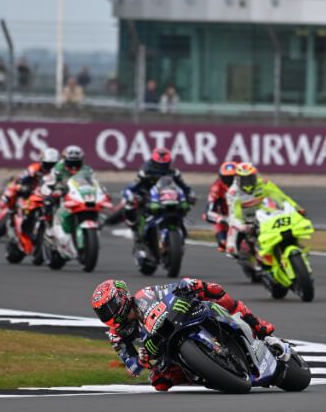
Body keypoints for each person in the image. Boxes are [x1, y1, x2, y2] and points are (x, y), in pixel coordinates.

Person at [91, 278, 274, 391]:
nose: (109, 314)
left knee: (214, 291)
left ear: (121, 298)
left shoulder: (144, 294)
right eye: (103, 313)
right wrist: (141, 360)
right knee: (159, 382)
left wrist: (187, 286)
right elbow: (131, 367)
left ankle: (257, 325)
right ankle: (204, 373)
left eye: (109, 308)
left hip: (181, 315)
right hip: (161, 346)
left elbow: (169, 289)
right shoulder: (117, 334)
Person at [225, 163, 303, 264]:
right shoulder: (232, 193)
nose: (248, 182)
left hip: (264, 215)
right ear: (237, 179)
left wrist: (297, 208)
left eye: (250, 178)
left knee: (287, 224)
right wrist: (243, 226)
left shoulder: (264, 183)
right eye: (244, 179)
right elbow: (233, 216)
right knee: (232, 248)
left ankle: (292, 244)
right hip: (245, 220)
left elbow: (282, 198)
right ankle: (243, 254)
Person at [122, 147, 197, 243]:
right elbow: (132, 187)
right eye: (159, 165)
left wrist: (190, 195)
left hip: (168, 198)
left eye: (164, 165)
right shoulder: (145, 173)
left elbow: (185, 187)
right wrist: (131, 196)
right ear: (153, 162)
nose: (162, 168)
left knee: (183, 208)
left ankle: (180, 228)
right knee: (130, 206)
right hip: (149, 198)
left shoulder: (174, 173)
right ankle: (135, 229)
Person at [203, 161, 239, 252]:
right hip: (226, 216)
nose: (230, 181)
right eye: (227, 178)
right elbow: (208, 212)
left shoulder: (245, 184)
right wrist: (221, 218)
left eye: (232, 177)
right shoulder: (217, 187)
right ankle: (223, 239)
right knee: (223, 245)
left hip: (244, 214)